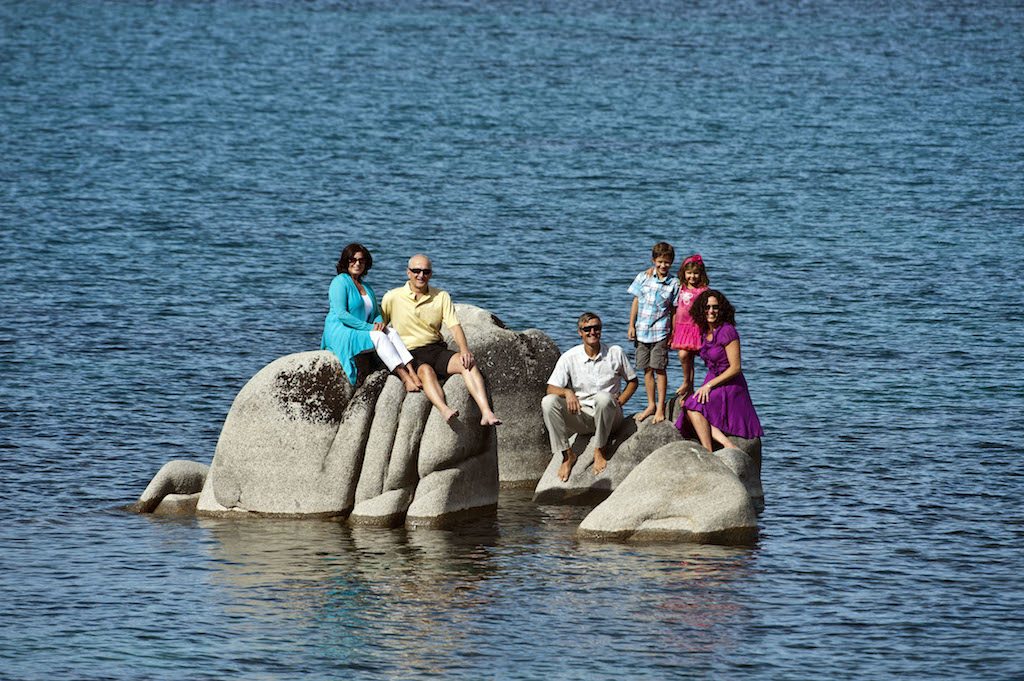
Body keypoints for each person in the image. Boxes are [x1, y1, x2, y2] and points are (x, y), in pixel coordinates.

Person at [380, 254, 502, 426]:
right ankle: (444, 410)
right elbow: (379, 327)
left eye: (426, 271)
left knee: (467, 363)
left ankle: (486, 412)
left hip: (435, 349)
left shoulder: (441, 296)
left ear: (431, 274)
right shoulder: (392, 297)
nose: (421, 275)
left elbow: (455, 326)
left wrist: (464, 350)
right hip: (408, 352)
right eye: (416, 271)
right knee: (426, 372)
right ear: (408, 272)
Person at [542, 312, 638, 481]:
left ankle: (599, 449)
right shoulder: (570, 357)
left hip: (609, 416)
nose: (592, 332)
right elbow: (550, 388)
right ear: (580, 332)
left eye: (596, 328)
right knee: (548, 402)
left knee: (603, 398)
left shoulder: (615, 353)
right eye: (587, 329)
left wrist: (621, 401)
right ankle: (567, 455)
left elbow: (633, 381)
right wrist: (567, 392)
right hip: (583, 416)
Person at [320, 243, 423, 392]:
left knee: (391, 332)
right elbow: (342, 315)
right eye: (353, 260)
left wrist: (380, 323)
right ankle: (404, 378)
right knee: (379, 337)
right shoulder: (339, 282)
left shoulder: (366, 287)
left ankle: (412, 372)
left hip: (359, 329)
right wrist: (371, 328)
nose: (357, 263)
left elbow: (376, 313)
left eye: (361, 260)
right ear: (345, 261)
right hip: (340, 330)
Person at [677, 290, 764, 451]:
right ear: (701, 310)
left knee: (694, 406)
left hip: (730, 383)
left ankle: (723, 446)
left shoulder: (728, 331)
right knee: (689, 405)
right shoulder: (704, 331)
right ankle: (711, 449)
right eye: (707, 307)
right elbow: (686, 347)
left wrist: (708, 386)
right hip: (712, 379)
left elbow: (736, 368)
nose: (711, 311)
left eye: (715, 307)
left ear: (721, 309)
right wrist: (687, 382)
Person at [627, 242, 680, 424]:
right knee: (646, 369)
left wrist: (673, 332)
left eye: (667, 262)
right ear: (653, 261)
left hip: (661, 332)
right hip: (642, 331)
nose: (663, 265)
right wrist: (631, 325)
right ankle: (650, 404)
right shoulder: (643, 277)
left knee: (660, 369)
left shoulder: (674, 283)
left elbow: (674, 310)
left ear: (671, 262)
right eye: (660, 262)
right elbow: (636, 301)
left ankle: (660, 407)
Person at [670, 254, 710, 396]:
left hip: (696, 328)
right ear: (684, 273)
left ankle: (687, 382)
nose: (692, 276)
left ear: (701, 274)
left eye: (695, 273)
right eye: (689, 273)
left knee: (684, 355)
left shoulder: (703, 290)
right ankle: (689, 388)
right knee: (687, 358)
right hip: (681, 327)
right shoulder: (680, 287)